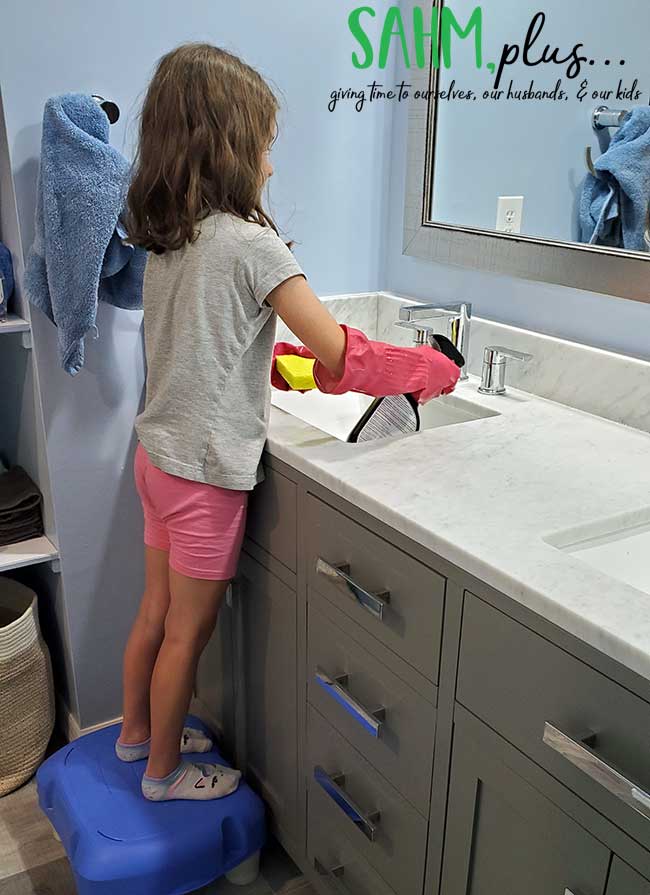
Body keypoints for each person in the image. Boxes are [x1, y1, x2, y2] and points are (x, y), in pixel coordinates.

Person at [117, 42, 459, 801]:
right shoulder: (251, 244)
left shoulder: (173, 237)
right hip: (205, 476)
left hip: (156, 460)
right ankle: (165, 775)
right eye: (266, 144)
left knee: (153, 613)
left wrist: (265, 367)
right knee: (188, 633)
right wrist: (426, 371)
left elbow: (199, 345)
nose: (271, 164)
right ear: (232, 146)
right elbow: (346, 356)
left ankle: (137, 734)